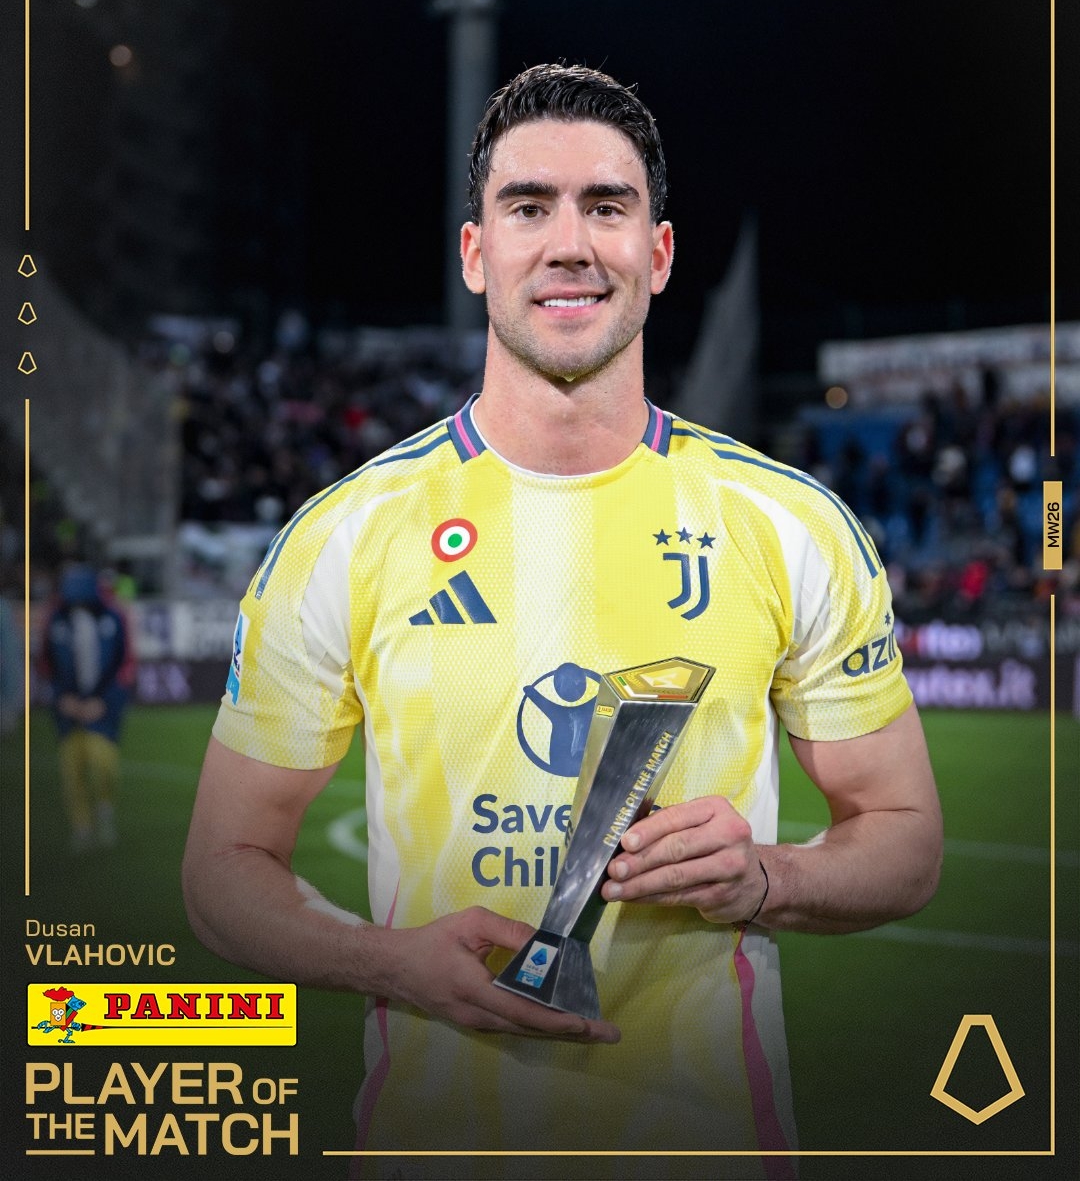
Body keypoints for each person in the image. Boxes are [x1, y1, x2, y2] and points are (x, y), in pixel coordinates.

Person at [183, 64, 942, 1180]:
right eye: (530, 207)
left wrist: (766, 879)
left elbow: (906, 839)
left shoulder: (788, 526)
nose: (571, 244)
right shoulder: (346, 535)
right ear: (476, 254)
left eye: (608, 206)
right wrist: (388, 962)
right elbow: (222, 867)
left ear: (660, 254)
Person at [39, 564, 133, 851]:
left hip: (102, 710)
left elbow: (125, 665)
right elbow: (45, 665)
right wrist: (61, 698)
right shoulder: (55, 620)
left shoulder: (113, 618)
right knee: (73, 771)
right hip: (68, 713)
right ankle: (81, 828)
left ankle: (104, 809)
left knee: (104, 764)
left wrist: (104, 701)